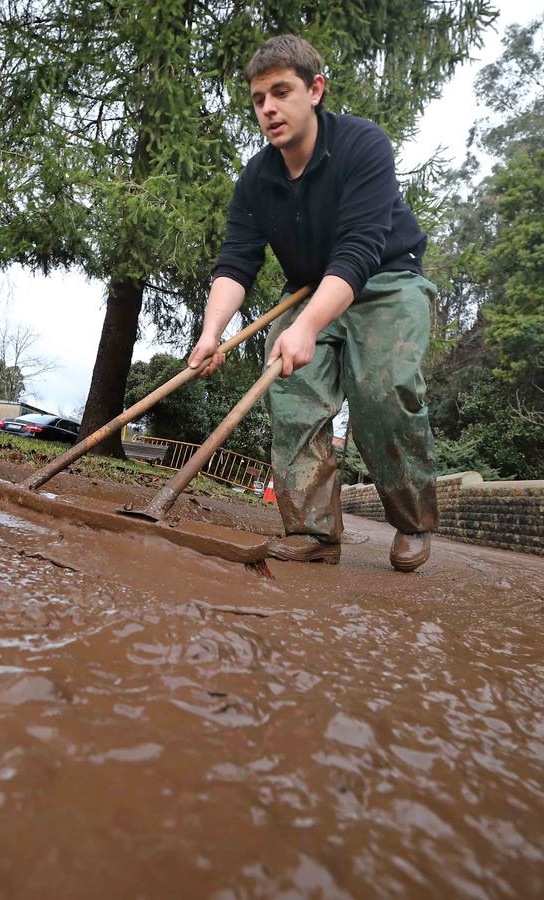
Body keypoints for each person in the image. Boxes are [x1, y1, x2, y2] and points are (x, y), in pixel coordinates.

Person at [188, 34, 439, 572]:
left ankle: (414, 521)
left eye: (281, 92)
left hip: (385, 279)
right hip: (308, 288)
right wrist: (212, 332)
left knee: (383, 392)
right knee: (293, 392)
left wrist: (305, 328)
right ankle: (313, 532)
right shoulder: (256, 179)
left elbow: (360, 247)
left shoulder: (363, 145)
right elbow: (236, 262)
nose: (269, 108)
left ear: (316, 89)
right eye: (259, 99)